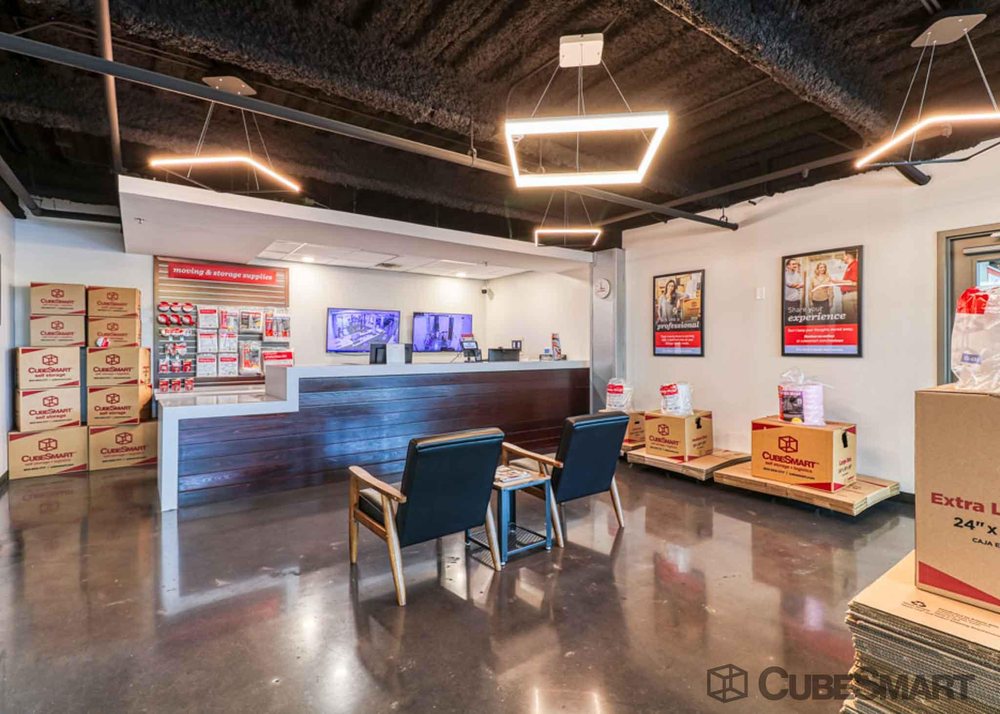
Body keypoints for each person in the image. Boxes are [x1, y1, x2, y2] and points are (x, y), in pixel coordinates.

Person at [837, 250, 859, 324]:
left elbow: (854, 282)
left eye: (844, 256)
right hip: (848, 295)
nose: (843, 258)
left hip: (851, 295)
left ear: (848, 256)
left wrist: (837, 281)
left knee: (850, 322)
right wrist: (837, 283)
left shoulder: (855, 265)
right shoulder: (850, 266)